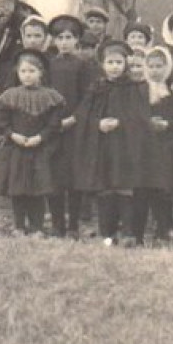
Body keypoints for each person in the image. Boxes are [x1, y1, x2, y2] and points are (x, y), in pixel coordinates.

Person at [75, 41, 157, 246]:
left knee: (126, 189)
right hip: (103, 147)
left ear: (125, 64)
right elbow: (83, 115)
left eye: (118, 62)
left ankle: (129, 233)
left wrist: (123, 123)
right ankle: (108, 235)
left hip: (126, 147)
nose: (114, 67)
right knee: (105, 190)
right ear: (103, 64)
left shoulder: (135, 88)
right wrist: (98, 124)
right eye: (110, 62)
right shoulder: (97, 88)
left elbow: (142, 117)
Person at [0, 50, 65, 236]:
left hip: (40, 148)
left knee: (37, 189)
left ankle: (37, 226)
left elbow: (54, 124)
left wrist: (40, 138)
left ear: (40, 73)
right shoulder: (10, 96)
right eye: (23, 71)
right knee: (18, 189)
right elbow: (2, 121)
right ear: (18, 73)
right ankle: (19, 225)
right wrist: (13, 135)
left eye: (32, 71)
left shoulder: (51, 97)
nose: (27, 75)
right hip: (16, 148)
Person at [48, 14, 97, 237]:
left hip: (76, 129)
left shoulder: (83, 66)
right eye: (60, 38)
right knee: (55, 177)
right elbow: (45, 95)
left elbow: (89, 96)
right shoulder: (49, 65)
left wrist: (75, 118)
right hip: (54, 128)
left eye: (69, 37)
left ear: (77, 40)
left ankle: (74, 224)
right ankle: (57, 224)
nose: (65, 42)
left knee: (73, 178)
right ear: (54, 40)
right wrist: (52, 121)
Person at [138, 46, 173, 242]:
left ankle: (165, 228)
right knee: (147, 187)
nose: (154, 70)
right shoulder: (140, 90)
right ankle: (143, 229)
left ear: (167, 67)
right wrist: (147, 124)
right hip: (146, 146)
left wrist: (168, 124)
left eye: (159, 66)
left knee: (165, 187)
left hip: (168, 146)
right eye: (150, 66)